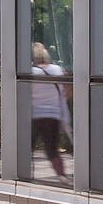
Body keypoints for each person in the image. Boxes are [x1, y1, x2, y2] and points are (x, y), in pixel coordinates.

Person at [29, 42, 70, 181]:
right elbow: (69, 91)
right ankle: (62, 175)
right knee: (52, 149)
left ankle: (20, 173)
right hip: (53, 115)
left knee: (23, 147)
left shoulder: (29, 72)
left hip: (33, 115)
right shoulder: (58, 70)